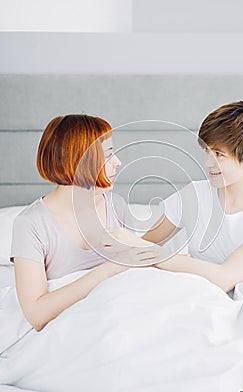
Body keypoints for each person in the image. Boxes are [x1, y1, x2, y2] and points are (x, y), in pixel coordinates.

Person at [106, 101, 243, 292]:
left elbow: (226, 278)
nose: (208, 162)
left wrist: (150, 250)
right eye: (206, 150)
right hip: (199, 293)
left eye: (219, 154)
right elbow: (146, 248)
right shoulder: (194, 194)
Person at [10, 114, 148, 331]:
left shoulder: (116, 206)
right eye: (108, 155)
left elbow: (136, 276)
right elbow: (36, 315)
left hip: (123, 315)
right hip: (73, 328)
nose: (118, 162)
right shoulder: (31, 224)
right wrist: (110, 268)